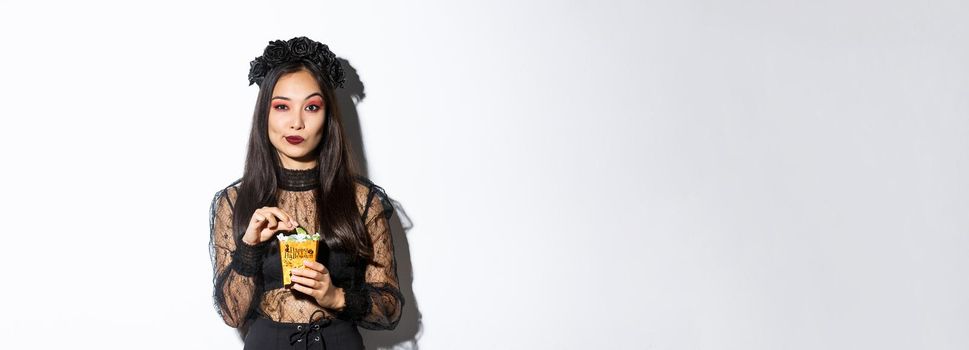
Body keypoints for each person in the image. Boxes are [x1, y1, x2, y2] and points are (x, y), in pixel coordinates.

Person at [208, 36, 403, 350]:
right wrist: (249, 248)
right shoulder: (235, 201)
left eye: (311, 107)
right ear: (265, 115)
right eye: (282, 106)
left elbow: (390, 308)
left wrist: (336, 297)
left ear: (327, 118)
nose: (296, 122)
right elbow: (232, 313)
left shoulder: (363, 201)